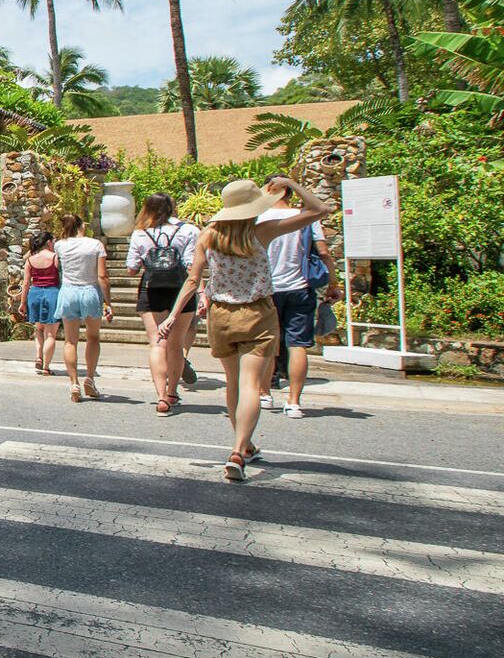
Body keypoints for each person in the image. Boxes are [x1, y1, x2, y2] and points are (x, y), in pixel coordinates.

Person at [159, 176, 332, 481]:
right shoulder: (261, 233)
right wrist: (291, 182)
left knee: (233, 383)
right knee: (251, 384)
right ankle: (238, 451)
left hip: (221, 315)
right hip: (257, 313)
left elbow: (192, 280)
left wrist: (173, 316)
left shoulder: (208, 236)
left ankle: (246, 445)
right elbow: (319, 210)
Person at [258, 175, 338, 419]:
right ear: (289, 193)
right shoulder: (304, 218)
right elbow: (323, 251)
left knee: (267, 343)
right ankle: (293, 401)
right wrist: (333, 282)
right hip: (300, 287)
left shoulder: (258, 218)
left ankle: (264, 394)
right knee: (297, 345)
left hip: (267, 288)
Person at [126, 193, 199, 415]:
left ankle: (160, 396)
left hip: (151, 290)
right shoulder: (189, 231)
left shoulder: (140, 233)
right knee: (176, 345)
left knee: (157, 343)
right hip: (180, 291)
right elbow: (190, 265)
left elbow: (132, 268)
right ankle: (172, 391)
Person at [52, 213, 113, 403]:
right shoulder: (95, 245)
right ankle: (90, 378)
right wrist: (108, 302)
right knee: (93, 337)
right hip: (90, 291)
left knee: (70, 341)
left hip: (69, 292)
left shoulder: (60, 245)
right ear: (81, 226)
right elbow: (102, 276)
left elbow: (57, 266)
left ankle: (74, 383)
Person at [23, 230, 62, 376]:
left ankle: (38, 356)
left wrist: (22, 302)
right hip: (53, 293)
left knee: (38, 329)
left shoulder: (30, 260)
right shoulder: (55, 258)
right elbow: (62, 278)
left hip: (35, 294)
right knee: (50, 334)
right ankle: (46, 366)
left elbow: (26, 283)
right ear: (48, 242)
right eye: (54, 241)